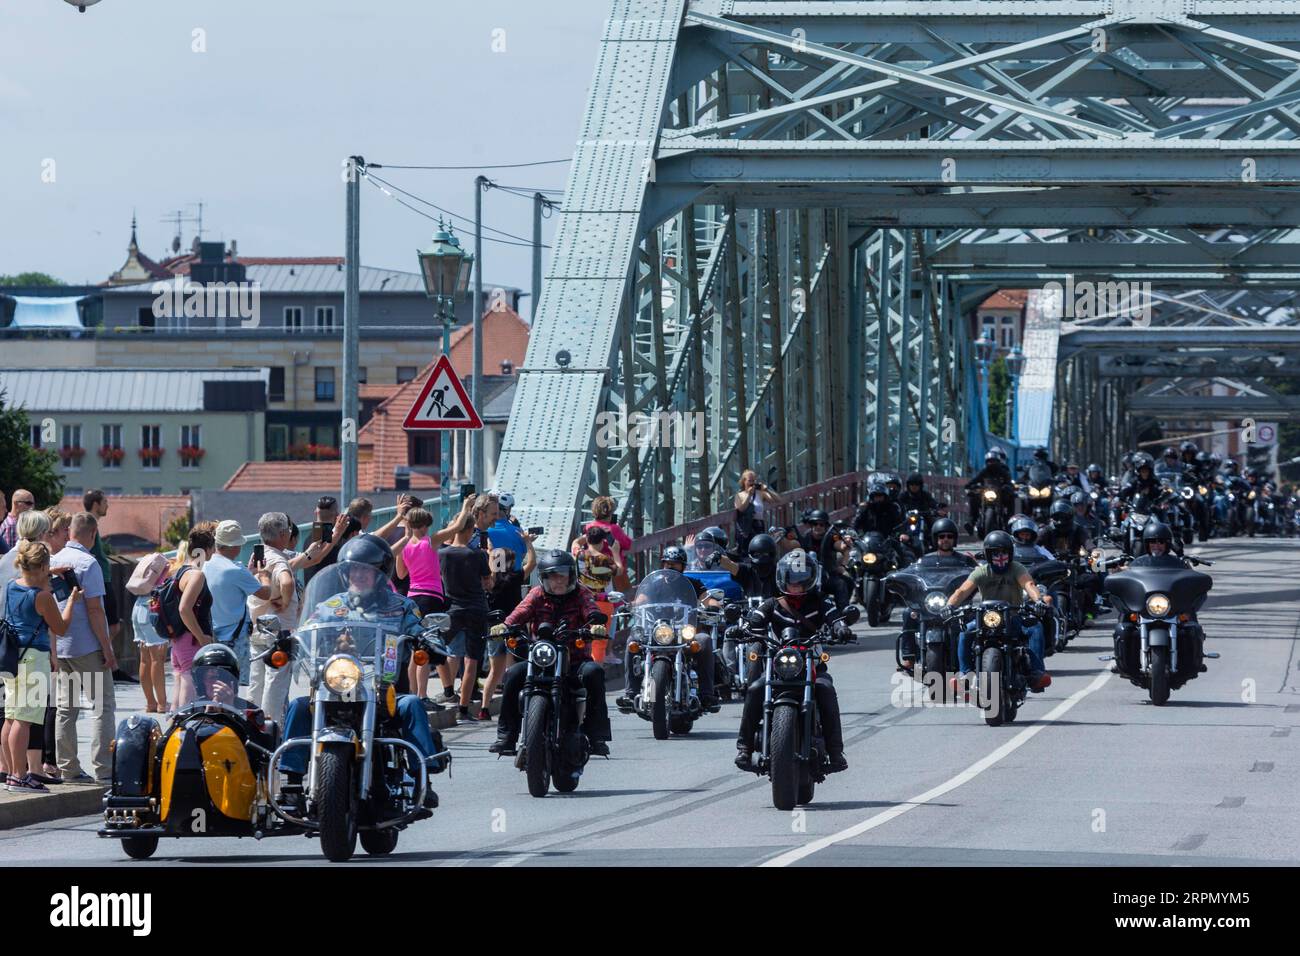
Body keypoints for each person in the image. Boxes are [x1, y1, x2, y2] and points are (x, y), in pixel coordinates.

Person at [277, 541, 444, 810]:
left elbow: (418, 628)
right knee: (298, 706)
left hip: (384, 689)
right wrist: (288, 641)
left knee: (412, 704)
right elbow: (305, 630)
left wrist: (428, 640)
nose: (359, 576)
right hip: (335, 686)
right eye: (354, 571)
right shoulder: (329, 606)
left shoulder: (401, 606)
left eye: (366, 571)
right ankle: (293, 784)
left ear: (381, 573)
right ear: (344, 573)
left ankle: (421, 779)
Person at [734, 550, 851, 774]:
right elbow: (754, 619)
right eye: (791, 580)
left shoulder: (820, 602)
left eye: (800, 580)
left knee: (825, 689)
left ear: (810, 579)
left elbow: (835, 617)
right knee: (756, 688)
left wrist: (841, 628)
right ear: (782, 579)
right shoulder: (772, 604)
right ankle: (745, 748)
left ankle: (836, 752)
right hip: (778, 666)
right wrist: (742, 628)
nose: (795, 585)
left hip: (812, 665)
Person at [488, 550, 611, 757]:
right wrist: (505, 625)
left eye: (563, 575)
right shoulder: (536, 594)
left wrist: (595, 625)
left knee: (594, 673)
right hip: (540, 660)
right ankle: (506, 737)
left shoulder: (581, 594)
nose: (559, 581)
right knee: (512, 675)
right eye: (553, 576)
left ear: (572, 576)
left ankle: (597, 735)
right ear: (544, 578)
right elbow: (521, 611)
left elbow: (591, 610)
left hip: (574, 661)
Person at [2, 541, 79, 793]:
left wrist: (46, 575)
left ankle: (10, 772)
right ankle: (20, 776)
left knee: (11, 717)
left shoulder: (10, 587)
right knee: (24, 720)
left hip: (12, 657)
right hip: (34, 659)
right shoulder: (43, 596)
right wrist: (71, 601)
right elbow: (61, 627)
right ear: (44, 566)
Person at [51, 512, 117, 784]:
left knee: (66, 708)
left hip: (60, 644)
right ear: (92, 534)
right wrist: (107, 647)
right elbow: (95, 611)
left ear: (69, 533)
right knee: (102, 706)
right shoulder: (89, 563)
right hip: (87, 645)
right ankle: (104, 768)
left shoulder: (54, 560)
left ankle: (68, 767)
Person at [945, 530, 1052, 693]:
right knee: (965, 632)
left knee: (1035, 627)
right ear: (988, 554)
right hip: (986, 618)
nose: (1000, 556)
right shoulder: (981, 571)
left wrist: (1038, 601)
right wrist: (949, 606)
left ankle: (1036, 672)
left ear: (1010, 552)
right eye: (995, 552)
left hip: (1013, 616)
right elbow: (962, 591)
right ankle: (965, 674)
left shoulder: (1017, 568)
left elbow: (1029, 585)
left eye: (1003, 552)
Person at [395, 500, 473, 703]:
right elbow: (456, 527)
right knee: (427, 647)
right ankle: (422, 695)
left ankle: (413, 694)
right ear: (422, 526)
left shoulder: (404, 546)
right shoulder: (430, 541)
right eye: (426, 525)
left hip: (412, 598)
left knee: (415, 648)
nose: (427, 529)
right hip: (432, 597)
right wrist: (465, 507)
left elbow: (401, 574)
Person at [439, 501, 494, 721]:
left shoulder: (442, 554)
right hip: (476, 608)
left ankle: (448, 689)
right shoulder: (478, 555)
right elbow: (488, 583)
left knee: (439, 649)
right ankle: (463, 708)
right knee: (472, 660)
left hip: (452, 608)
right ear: (471, 530)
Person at [897, 517, 975, 670]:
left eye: (949, 536)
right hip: (930, 603)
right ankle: (909, 657)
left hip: (957, 605)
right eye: (941, 536)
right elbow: (910, 572)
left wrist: (977, 564)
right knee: (908, 613)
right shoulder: (925, 560)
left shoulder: (964, 561)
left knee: (974, 619)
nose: (945, 539)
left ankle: (969, 661)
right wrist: (897, 576)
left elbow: (981, 574)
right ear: (935, 539)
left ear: (954, 539)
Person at [245, 513, 300, 723]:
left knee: (257, 680)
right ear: (284, 534)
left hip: (259, 626)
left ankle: (252, 722)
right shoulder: (278, 559)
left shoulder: (257, 557)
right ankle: (271, 726)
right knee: (275, 683)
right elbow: (287, 582)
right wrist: (285, 603)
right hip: (279, 630)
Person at [204, 520, 273, 684]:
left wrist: (249, 573)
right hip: (235, 638)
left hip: (210, 636)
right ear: (235, 546)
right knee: (236, 685)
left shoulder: (204, 566)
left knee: (212, 685)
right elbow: (265, 593)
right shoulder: (236, 570)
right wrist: (264, 576)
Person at [481, 535, 536, 721]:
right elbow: (532, 563)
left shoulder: (490, 581)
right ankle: (513, 707)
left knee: (494, 671)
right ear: (510, 562)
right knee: (514, 670)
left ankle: (484, 708)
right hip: (514, 626)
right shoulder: (515, 577)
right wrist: (528, 543)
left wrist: (491, 552)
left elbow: (492, 567)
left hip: (494, 628)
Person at [169, 525, 217, 712]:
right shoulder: (197, 575)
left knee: (179, 689)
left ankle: (174, 728)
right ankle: (183, 729)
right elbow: (184, 609)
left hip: (179, 641)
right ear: (206, 550)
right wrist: (201, 637)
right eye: (213, 548)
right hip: (191, 641)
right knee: (188, 692)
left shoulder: (180, 571)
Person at [128, 550, 171, 715]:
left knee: (144, 659)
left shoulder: (145, 563)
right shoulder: (164, 567)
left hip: (138, 606)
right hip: (150, 607)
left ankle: (150, 703)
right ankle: (161, 703)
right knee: (157, 659)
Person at [82, 491, 121, 648]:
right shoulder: (88, 525)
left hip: (102, 578)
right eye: (105, 502)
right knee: (113, 626)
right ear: (96, 504)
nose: (108, 505)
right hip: (101, 580)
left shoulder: (91, 525)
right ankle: (101, 654)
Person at [734, 470, 780, 553]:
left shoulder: (760, 493)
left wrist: (767, 490)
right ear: (744, 481)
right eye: (749, 481)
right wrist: (749, 495)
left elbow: (777, 500)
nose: (752, 483)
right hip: (745, 528)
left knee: (759, 550)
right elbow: (741, 509)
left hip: (758, 526)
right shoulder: (739, 495)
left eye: (753, 480)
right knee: (745, 551)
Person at [0, 489, 35, 554]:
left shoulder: (13, 523)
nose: (32, 507)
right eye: (28, 503)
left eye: (33, 504)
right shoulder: (11, 526)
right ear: (16, 503)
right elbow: (10, 555)